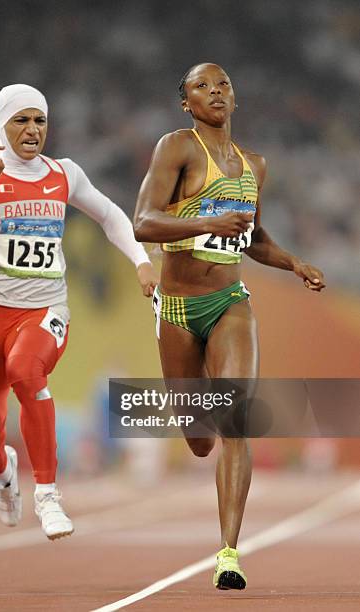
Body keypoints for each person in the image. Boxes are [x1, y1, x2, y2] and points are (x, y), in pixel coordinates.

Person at [0, 84, 157, 541]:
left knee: (27, 372)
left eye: (39, 120)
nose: (32, 129)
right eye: (21, 120)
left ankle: (48, 494)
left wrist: (141, 261)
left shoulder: (64, 174)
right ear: (0, 125)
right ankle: (3, 474)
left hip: (42, 308)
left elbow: (110, 215)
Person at [133, 63, 325, 589]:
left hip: (229, 303)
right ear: (186, 103)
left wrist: (293, 263)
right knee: (199, 440)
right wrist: (205, 222)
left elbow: (255, 237)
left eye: (223, 85)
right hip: (175, 310)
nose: (215, 92)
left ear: (234, 98)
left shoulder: (253, 165)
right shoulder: (177, 147)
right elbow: (143, 222)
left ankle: (228, 556)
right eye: (202, 86)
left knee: (236, 419)